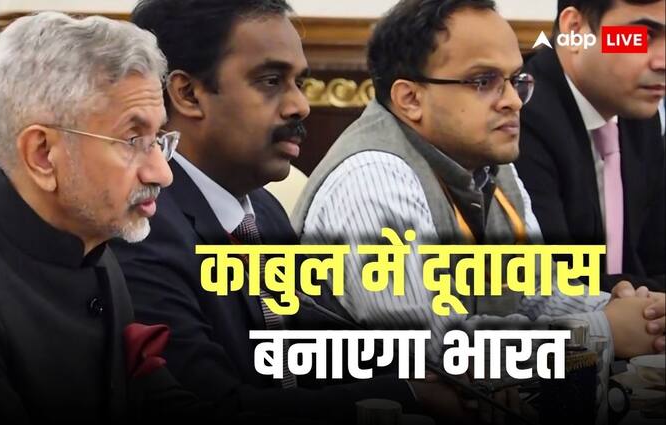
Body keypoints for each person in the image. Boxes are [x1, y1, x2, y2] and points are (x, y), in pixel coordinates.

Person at [110, 1, 481, 423]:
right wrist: (411, 394)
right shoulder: (142, 226)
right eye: (271, 81)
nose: (300, 106)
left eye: (299, 83)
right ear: (188, 94)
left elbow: (320, 352)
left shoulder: (263, 211)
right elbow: (213, 405)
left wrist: (442, 374)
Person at [292, 0, 666, 363]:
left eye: (515, 80)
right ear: (410, 98)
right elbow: (436, 350)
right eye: (484, 81)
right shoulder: (373, 180)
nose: (513, 101)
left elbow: (536, 293)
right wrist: (602, 330)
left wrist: (634, 313)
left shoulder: (488, 165)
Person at [0, 11, 212, 424]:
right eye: (132, 140)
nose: (162, 173)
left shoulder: (92, 245)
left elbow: (155, 401)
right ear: (43, 154)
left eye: (158, 139)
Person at [515, 0, 665, 291]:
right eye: (644, 37)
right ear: (575, 30)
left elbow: (657, 257)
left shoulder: (638, 112)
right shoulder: (519, 116)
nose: (663, 62)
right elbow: (557, 285)